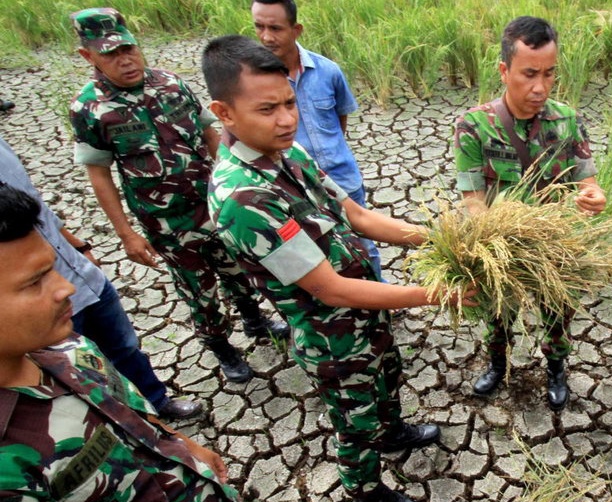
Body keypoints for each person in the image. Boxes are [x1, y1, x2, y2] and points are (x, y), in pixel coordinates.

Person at [201, 35, 474, 502]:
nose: (287, 119)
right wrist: (437, 295)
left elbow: (357, 216)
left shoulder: (290, 157)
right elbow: (329, 289)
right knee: (355, 416)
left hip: (367, 310)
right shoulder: (244, 198)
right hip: (332, 336)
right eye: (268, 109)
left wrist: (439, 239)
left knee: (388, 378)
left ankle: (393, 434)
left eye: (289, 103)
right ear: (224, 112)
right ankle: (365, 486)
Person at [0, 186, 263, 502]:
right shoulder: (8, 469)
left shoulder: (68, 347)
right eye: (35, 282)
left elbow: (128, 414)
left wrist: (182, 447)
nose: (66, 288)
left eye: (53, 268)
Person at [68, 7, 288, 384]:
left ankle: (255, 320)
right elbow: (100, 174)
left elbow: (211, 135)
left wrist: (234, 183)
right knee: (198, 289)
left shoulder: (171, 84)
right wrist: (126, 233)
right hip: (168, 222)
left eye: (129, 49)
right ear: (88, 56)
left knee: (238, 268)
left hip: (214, 204)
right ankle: (222, 347)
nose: (125, 61)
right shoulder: (90, 109)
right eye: (110, 54)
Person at [452, 16, 606, 411]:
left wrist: (592, 198)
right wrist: (498, 243)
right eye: (529, 74)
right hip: (500, 245)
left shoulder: (568, 120)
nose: (540, 87)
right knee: (498, 311)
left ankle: (555, 366)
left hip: (556, 245)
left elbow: (588, 182)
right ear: (504, 71)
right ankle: (497, 362)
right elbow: (473, 199)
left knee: (557, 309)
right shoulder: (474, 125)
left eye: (550, 74)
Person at [0, 136, 201, 420]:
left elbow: (37, 207)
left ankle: (154, 405)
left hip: (81, 275)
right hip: (41, 306)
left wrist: (77, 246)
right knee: (73, 372)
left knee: (125, 348)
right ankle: (122, 420)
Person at [249, 0, 384, 279]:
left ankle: (380, 296)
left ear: (296, 29)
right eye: (259, 27)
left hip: (343, 177)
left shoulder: (328, 71)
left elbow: (340, 118)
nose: (266, 37)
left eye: (275, 28)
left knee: (364, 247)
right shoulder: (255, 83)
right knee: (320, 254)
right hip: (295, 189)